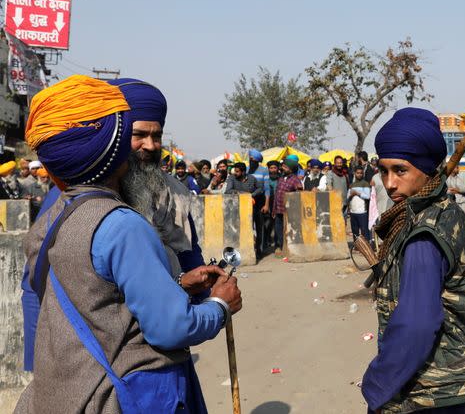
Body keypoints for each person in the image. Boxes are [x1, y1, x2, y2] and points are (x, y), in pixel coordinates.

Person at [16, 75, 242, 413]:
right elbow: (171, 327)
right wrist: (220, 307)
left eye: (157, 135)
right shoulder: (121, 223)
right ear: (113, 144)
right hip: (117, 389)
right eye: (134, 135)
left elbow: (101, 289)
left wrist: (179, 283)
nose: (149, 146)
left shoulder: (63, 212)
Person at [362, 108, 465, 413]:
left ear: (425, 168)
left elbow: (417, 323)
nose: (390, 183)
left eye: (400, 170)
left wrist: (378, 383)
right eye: (384, 170)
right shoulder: (439, 210)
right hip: (449, 384)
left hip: (430, 392)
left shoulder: (425, 232)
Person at [272, 158, 303, 255]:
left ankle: (291, 250)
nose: (283, 168)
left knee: (290, 231)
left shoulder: (296, 180)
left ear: (291, 169)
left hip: (289, 212)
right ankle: (282, 248)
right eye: (283, 166)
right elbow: (277, 194)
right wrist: (274, 209)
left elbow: (299, 194)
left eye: (285, 167)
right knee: (279, 230)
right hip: (278, 210)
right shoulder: (281, 178)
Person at [246, 149, 270, 257]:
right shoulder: (246, 170)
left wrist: (266, 204)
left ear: (257, 161)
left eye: (253, 160)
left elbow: (267, 189)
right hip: (246, 202)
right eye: (250, 159)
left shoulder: (264, 170)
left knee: (259, 226)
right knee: (248, 226)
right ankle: (250, 248)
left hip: (260, 201)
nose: (251, 161)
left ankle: (260, 249)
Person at [348, 166, 372, 242]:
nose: (359, 174)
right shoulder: (352, 184)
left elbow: (367, 196)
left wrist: (357, 193)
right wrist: (351, 195)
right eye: (357, 173)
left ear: (363, 174)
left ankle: (366, 246)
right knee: (355, 231)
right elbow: (347, 196)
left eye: (361, 173)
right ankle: (357, 246)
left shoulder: (365, 184)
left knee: (364, 231)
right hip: (353, 212)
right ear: (355, 173)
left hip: (362, 212)